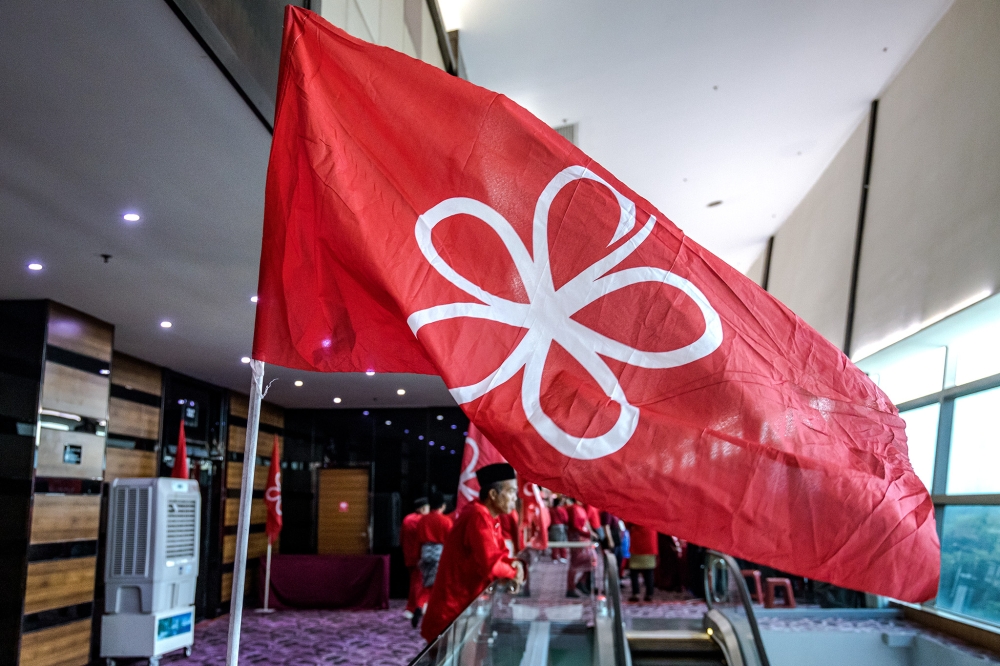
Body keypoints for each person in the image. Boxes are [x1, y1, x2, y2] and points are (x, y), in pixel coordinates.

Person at [420, 463, 525, 642]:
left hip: (466, 605)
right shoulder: (478, 516)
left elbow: (500, 555)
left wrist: (513, 565)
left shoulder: (491, 517)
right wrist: (515, 571)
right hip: (453, 609)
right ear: (493, 494)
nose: (515, 498)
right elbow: (490, 566)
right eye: (511, 492)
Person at [413, 491, 453, 627]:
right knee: (439, 586)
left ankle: (419, 606)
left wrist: (417, 558)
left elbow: (418, 540)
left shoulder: (422, 520)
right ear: (443, 505)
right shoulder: (446, 521)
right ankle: (436, 613)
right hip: (439, 556)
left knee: (426, 585)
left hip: (425, 554)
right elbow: (450, 542)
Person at [401, 497, 429, 619]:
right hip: (419, 556)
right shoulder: (422, 521)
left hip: (409, 555)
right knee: (418, 583)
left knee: (414, 582)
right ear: (423, 508)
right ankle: (414, 607)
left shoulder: (407, 519)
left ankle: (417, 606)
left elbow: (401, 538)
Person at [565, 498, 593, 597]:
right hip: (577, 539)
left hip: (584, 539)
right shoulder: (574, 508)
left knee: (591, 560)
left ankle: (581, 581)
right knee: (574, 564)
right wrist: (587, 534)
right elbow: (575, 526)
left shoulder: (580, 508)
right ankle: (570, 588)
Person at [627, 522, 658, 602]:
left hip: (637, 544)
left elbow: (628, 524)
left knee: (634, 572)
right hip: (650, 543)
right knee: (649, 572)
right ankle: (649, 594)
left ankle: (636, 594)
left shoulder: (635, 511)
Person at [549, 496, 568, 563]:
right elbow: (566, 519)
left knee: (554, 542)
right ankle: (563, 556)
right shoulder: (561, 509)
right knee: (562, 542)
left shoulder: (550, 509)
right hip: (560, 527)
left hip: (553, 527)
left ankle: (554, 557)